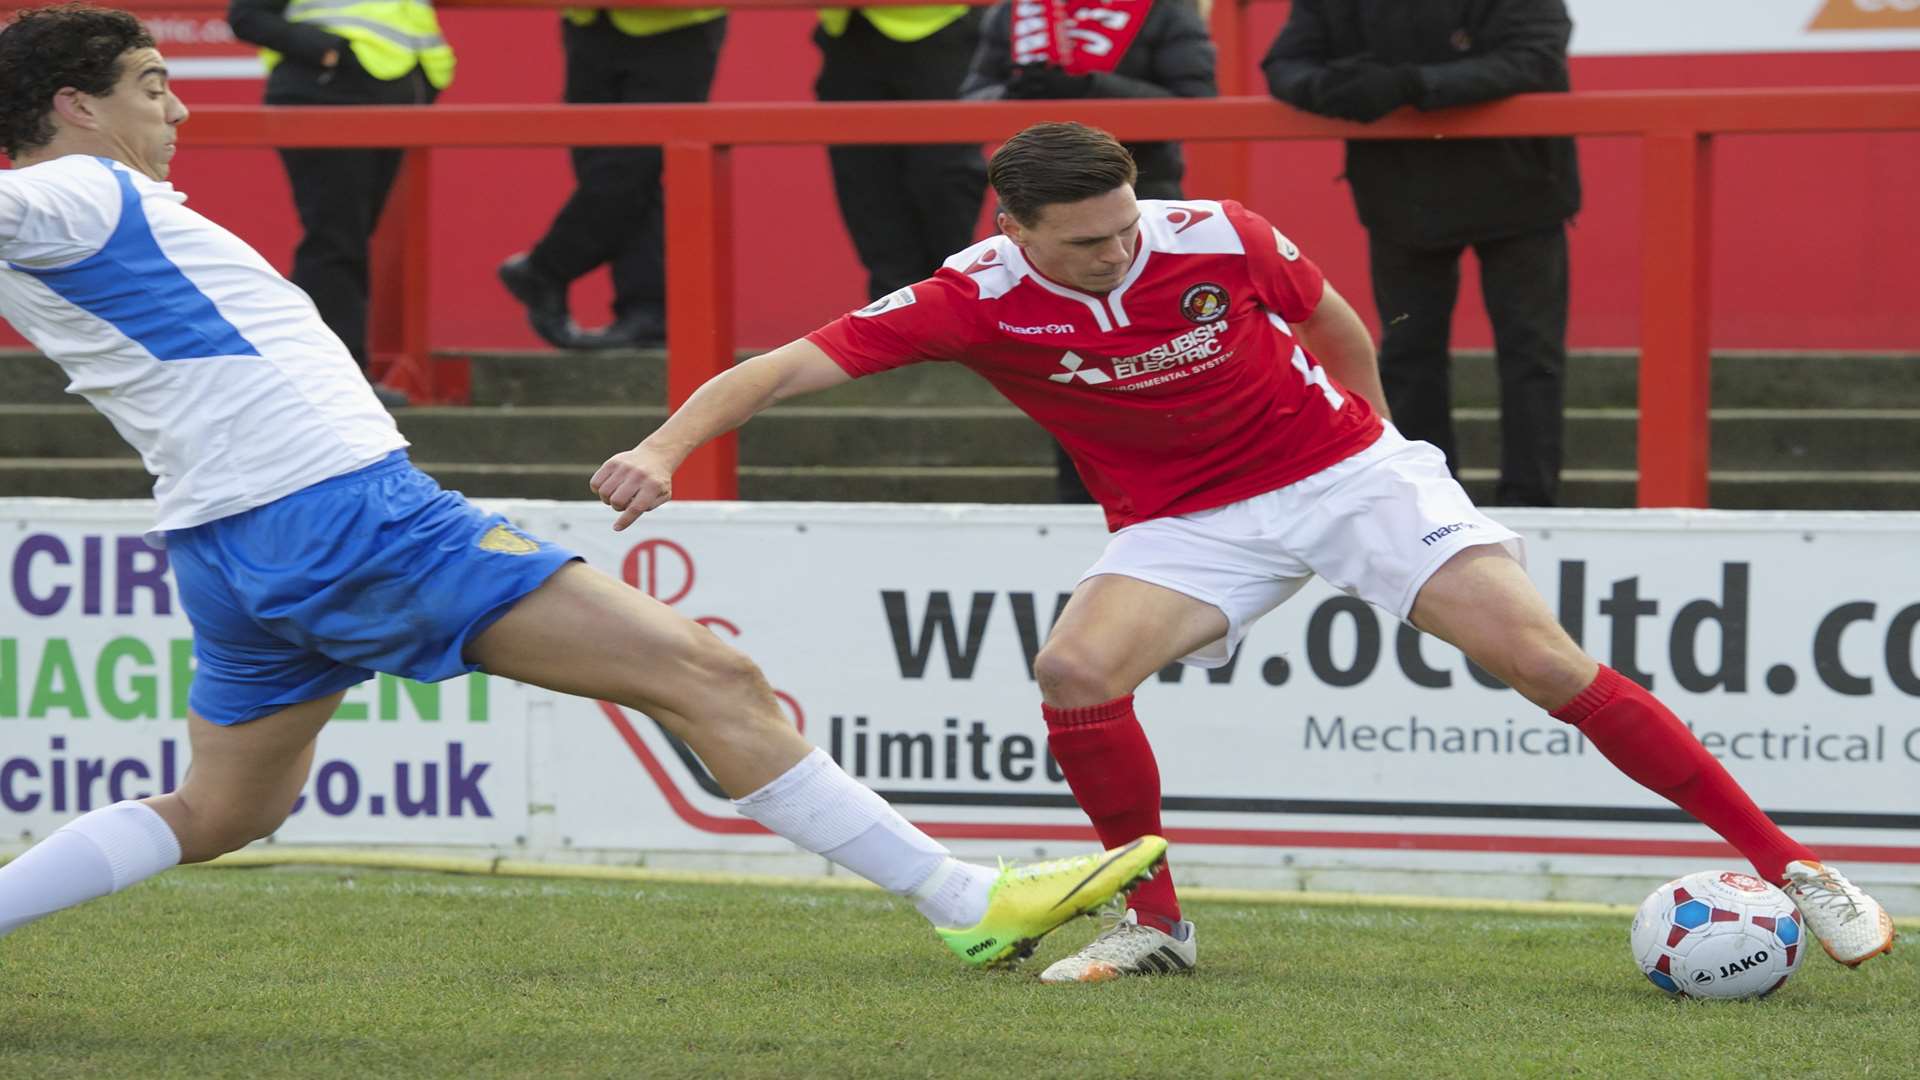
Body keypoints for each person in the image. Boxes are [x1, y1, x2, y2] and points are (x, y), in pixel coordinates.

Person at [590, 121, 1897, 983]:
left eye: (1127, 220)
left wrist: (1379, 446)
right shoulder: (966, 296)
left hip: (1341, 473)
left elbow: (1332, 322)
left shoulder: (1214, 232)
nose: (1121, 246)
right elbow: (770, 370)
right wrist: (661, 449)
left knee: (1540, 661)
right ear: (1019, 230)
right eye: (1089, 237)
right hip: (1186, 523)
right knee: (1076, 670)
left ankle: (1797, 869)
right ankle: (1157, 928)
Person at [0, 7, 1167, 970]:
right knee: (710, 674)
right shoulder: (81, 195)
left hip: (231, 543)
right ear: (74, 105)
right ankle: (966, 898)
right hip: (340, 514)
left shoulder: (83, 214)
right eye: (153, 83)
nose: (179, 103)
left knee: (222, 814)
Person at [1262, 0, 1580, 507]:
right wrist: (1337, 90)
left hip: (1523, 185)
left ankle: (1533, 501)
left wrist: (1411, 85)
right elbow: (1285, 66)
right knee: (1409, 353)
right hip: (1401, 191)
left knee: (1531, 355)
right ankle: (1427, 503)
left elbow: (1536, 58)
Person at [960, 0, 1217, 504]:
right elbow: (973, 95)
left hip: (1137, 209)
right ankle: (1081, 503)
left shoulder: (1165, 9)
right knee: (1069, 373)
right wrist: (1015, 93)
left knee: (1162, 367)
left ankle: (1188, 498)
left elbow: (1193, 103)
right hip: (1044, 217)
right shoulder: (1016, 10)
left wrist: (1091, 91)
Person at [228, 0, 451, 407]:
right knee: (335, 241)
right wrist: (325, 49)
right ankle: (332, 379)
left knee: (344, 240)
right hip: (324, 92)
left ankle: (315, 373)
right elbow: (246, 17)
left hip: (389, 98)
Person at [498, 6, 727, 351]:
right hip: (589, 22)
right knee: (605, 166)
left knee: (633, 166)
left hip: (678, 25)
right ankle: (646, 311)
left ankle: (549, 267)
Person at [814, 3, 988, 302]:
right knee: (863, 182)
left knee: (944, 176)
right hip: (848, 31)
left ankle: (950, 298)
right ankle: (894, 311)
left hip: (939, 28)